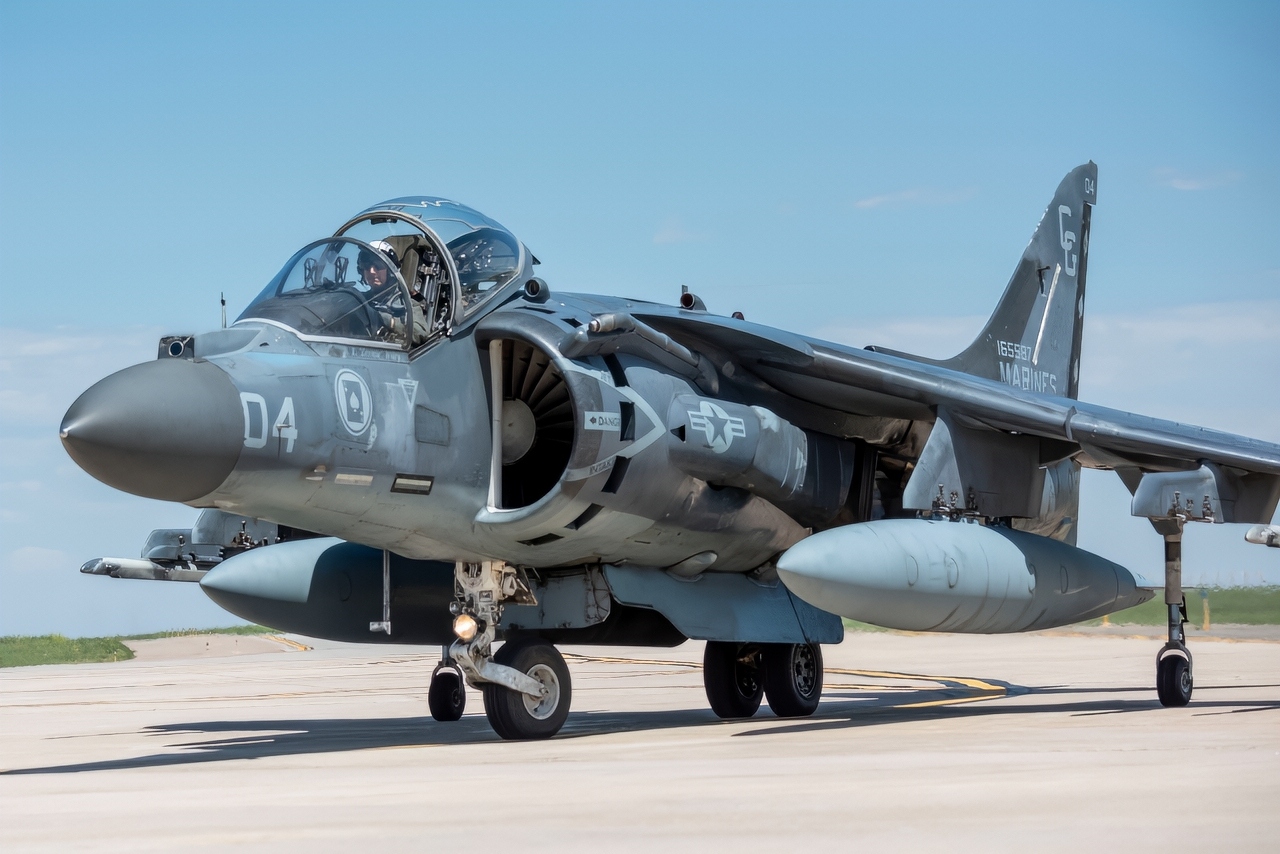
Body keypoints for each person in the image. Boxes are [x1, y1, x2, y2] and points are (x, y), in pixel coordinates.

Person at [357, 241, 428, 345]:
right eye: (366, 266)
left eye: (378, 265)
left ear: (390, 271)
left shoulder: (407, 303)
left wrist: (389, 321)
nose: (372, 271)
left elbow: (421, 334)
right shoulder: (358, 301)